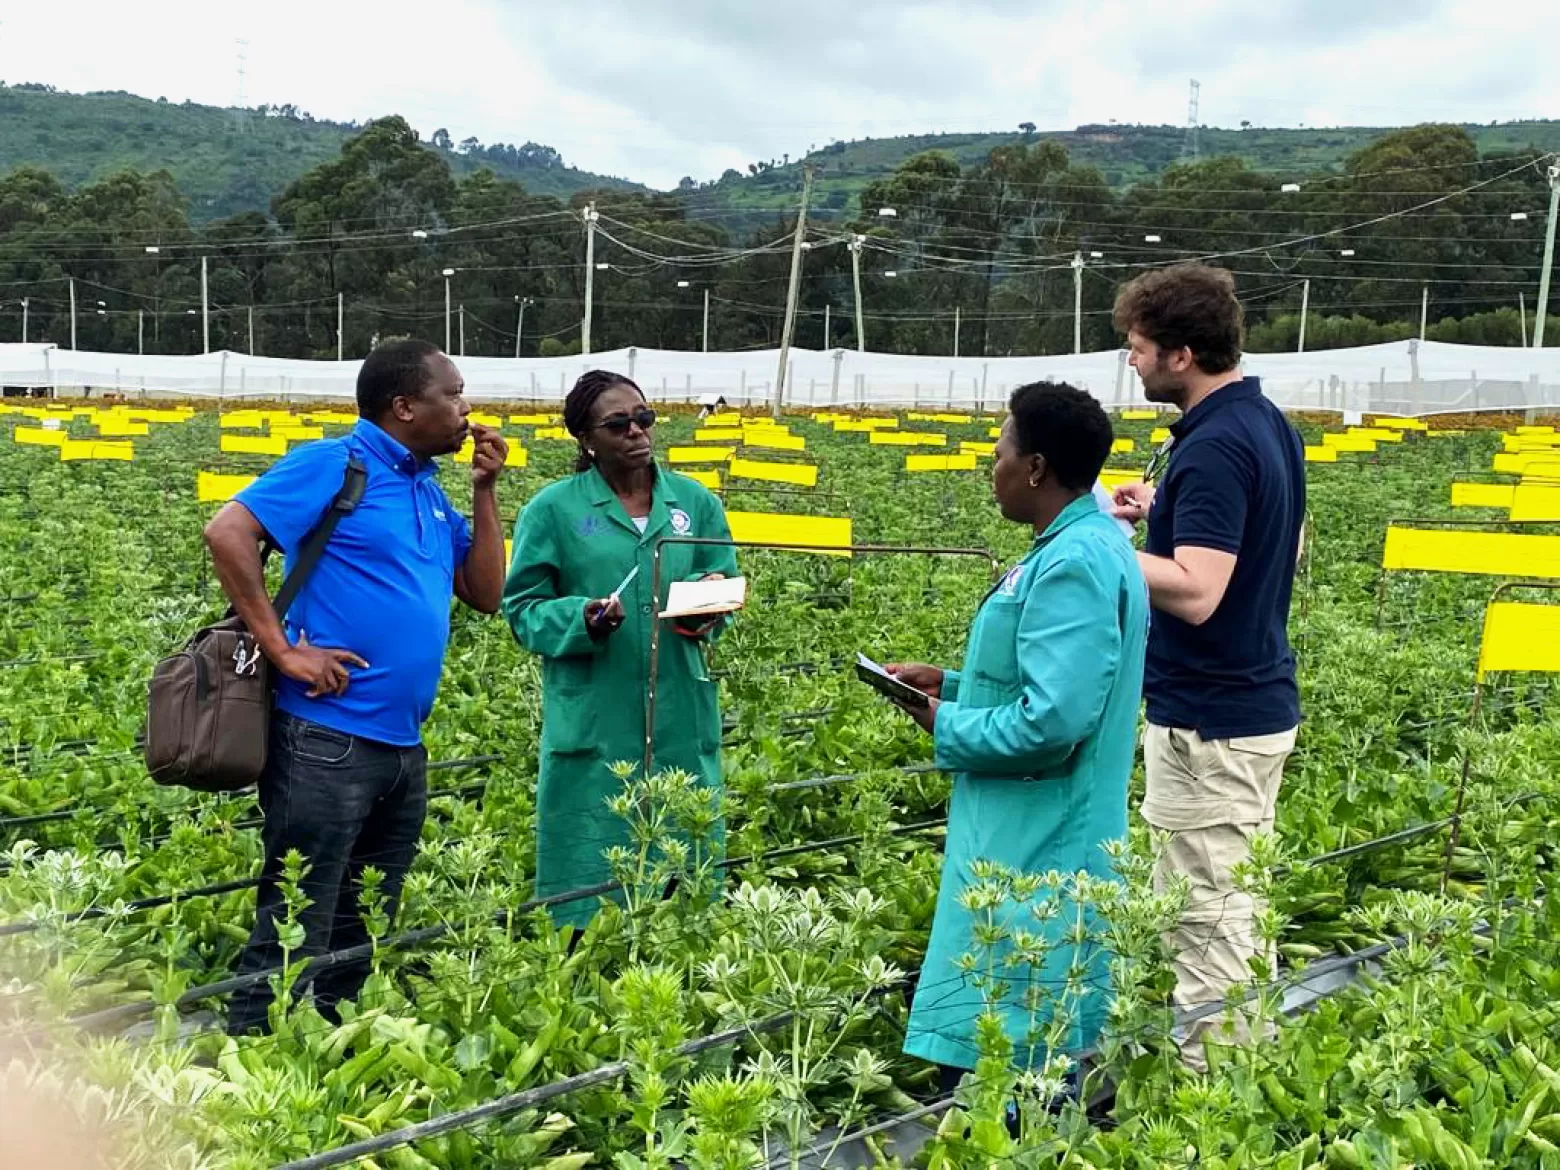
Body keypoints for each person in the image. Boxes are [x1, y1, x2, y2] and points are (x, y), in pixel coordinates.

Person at [206, 339, 508, 1035]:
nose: (466, 409)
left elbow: (486, 592)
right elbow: (227, 532)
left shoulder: (426, 486)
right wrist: (280, 649)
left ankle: (326, 1048)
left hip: (401, 746)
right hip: (324, 736)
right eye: (453, 394)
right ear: (404, 406)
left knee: (363, 920)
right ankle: (250, 1057)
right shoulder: (336, 463)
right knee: (294, 919)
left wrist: (485, 491)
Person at [887, 381, 1148, 1087]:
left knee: (1016, 1060)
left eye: (999, 452)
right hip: (1025, 829)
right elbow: (1054, 684)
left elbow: (1056, 721)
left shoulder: (1074, 561)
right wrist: (955, 685)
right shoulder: (1075, 544)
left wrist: (948, 721)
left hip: (1041, 844)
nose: (991, 467)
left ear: (1035, 468)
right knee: (1013, 1047)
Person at [1109, 263, 1306, 1069]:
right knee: (1225, 903)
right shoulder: (1264, 422)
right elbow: (1288, 541)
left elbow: (1195, 592)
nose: (1132, 360)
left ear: (1181, 355)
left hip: (1212, 721)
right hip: (1251, 706)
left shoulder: (1216, 446)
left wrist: (1097, 548)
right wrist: (1170, 513)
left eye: (1139, 346)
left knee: (1208, 915)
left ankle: (1214, 1093)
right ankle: (1234, 1065)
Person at [503, 371, 737, 928]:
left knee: (687, 859)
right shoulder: (553, 510)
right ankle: (583, 947)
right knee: (592, 858)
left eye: (644, 418)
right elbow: (524, 608)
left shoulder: (694, 503)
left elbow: (723, 579)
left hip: (679, 702)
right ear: (586, 438)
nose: (637, 431)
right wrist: (580, 618)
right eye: (618, 424)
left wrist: (709, 609)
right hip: (596, 711)